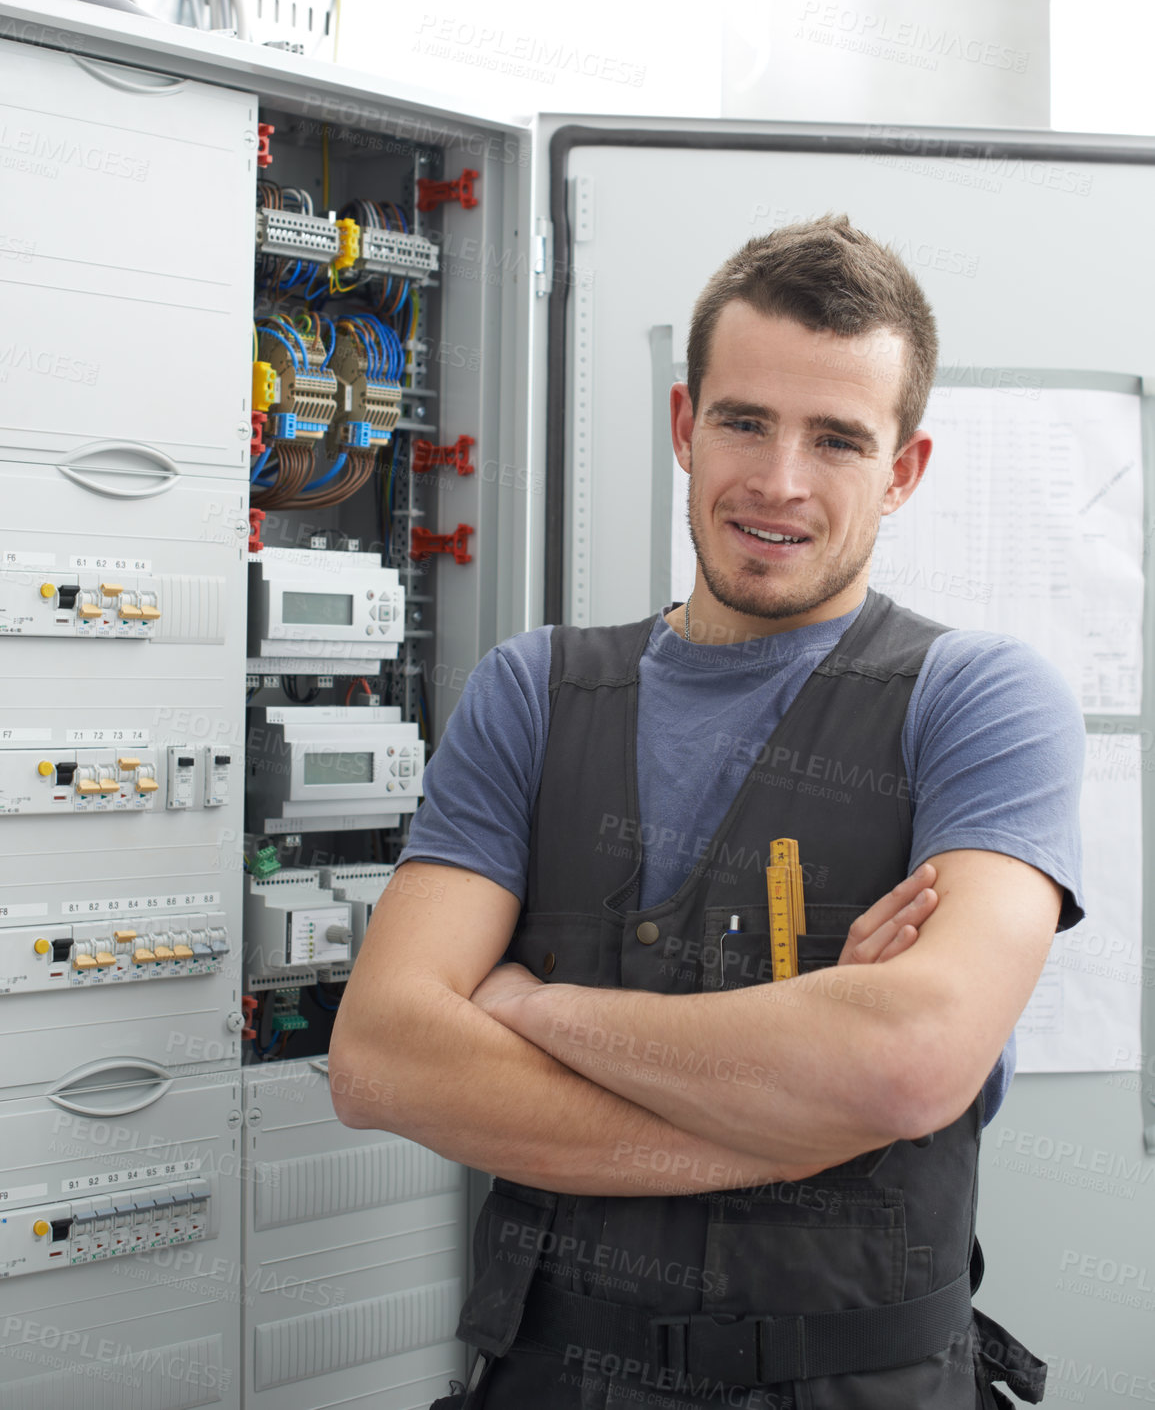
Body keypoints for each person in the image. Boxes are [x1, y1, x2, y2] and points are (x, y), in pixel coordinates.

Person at [330, 214, 1084, 1410]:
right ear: (686, 427)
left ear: (902, 470)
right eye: (744, 421)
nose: (779, 482)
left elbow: (912, 1059)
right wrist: (796, 1107)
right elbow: (380, 1061)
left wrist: (533, 1007)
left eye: (838, 439)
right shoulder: (534, 693)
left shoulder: (981, 702)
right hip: (548, 1381)